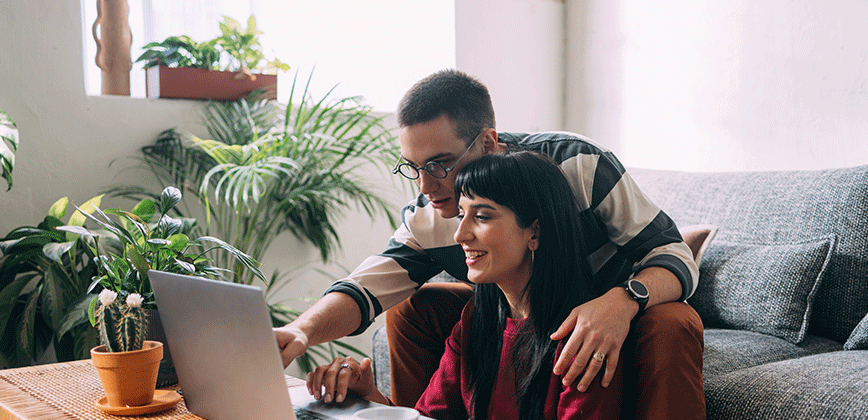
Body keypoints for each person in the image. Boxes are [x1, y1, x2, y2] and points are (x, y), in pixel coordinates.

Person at [275, 69, 706, 419]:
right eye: (414, 167)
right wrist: (301, 331)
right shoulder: (434, 209)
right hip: (518, 303)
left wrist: (620, 302)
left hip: (609, 306)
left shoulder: (578, 165)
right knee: (413, 307)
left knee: (673, 322)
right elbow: (369, 286)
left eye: (441, 163)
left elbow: (674, 255)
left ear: (486, 141)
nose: (426, 186)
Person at [307, 151, 624, 419]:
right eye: (461, 215)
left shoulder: (584, 339)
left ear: (535, 232)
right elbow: (429, 417)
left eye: (482, 217)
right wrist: (367, 396)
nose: (460, 235)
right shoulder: (478, 318)